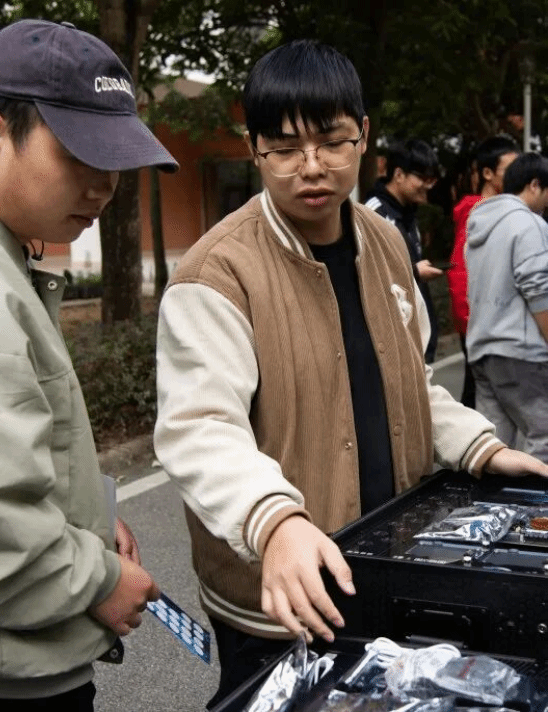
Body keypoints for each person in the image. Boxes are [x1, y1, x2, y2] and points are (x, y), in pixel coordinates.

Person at [154, 40, 548, 707]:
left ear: (363, 136)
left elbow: (411, 384)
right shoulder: (217, 272)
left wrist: (481, 447)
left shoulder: (384, 242)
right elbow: (200, 429)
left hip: (384, 566)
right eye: (285, 148)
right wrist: (275, 522)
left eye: (332, 142)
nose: (312, 167)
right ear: (254, 149)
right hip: (279, 595)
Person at [0, 19, 178, 710]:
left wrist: (86, 519)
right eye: (80, 153)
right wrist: (97, 579)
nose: (104, 186)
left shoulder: (9, 262)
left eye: (116, 161)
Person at [466, 152, 548, 463]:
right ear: (535, 185)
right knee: (544, 437)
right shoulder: (529, 223)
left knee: (496, 446)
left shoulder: (479, 224)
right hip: (521, 351)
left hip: (482, 350)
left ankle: (494, 497)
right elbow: (539, 290)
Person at [447, 136, 519, 407]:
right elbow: (459, 271)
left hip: (491, 321)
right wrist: (471, 323)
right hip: (480, 323)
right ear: (488, 173)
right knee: (479, 396)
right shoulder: (477, 212)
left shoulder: (499, 210)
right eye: (509, 170)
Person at [365, 139, 442, 362]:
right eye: (423, 178)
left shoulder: (408, 215)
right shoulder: (374, 213)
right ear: (399, 175)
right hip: (394, 346)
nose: (428, 186)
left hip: (415, 343)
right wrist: (415, 272)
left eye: (432, 180)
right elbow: (369, 276)